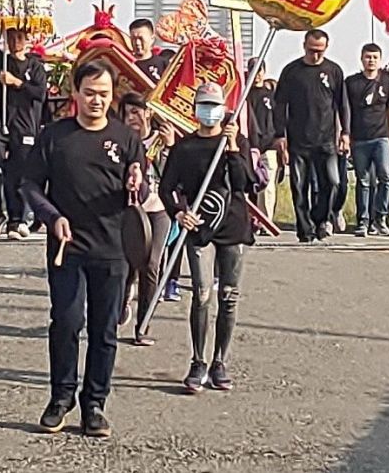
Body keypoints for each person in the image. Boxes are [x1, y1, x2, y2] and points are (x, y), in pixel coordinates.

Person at [22, 60, 147, 438]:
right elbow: (29, 185)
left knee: (103, 331)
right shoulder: (55, 136)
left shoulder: (128, 139)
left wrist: (137, 182)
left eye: (104, 95)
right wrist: (50, 216)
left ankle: (95, 405)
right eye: (89, 93)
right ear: (75, 93)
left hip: (113, 248)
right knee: (66, 322)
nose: (96, 100)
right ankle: (60, 399)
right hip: (67, 246)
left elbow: (139, 193)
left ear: (113, 97)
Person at [159, 82, 257, 393]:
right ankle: (198, 360)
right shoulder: (184, 147)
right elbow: (167, 187)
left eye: (215, 105)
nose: (209, 111)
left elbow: (246, 184)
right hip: (198, 225)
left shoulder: (235, 142)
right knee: (202, 293)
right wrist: (178, 212)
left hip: (234, 225)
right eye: (204, 105)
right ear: (195, 109)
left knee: (228, 294)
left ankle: (220, 362)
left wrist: (231, 149)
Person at [273, 29, 350, 243]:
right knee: (299, 186)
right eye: (311, 50)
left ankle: (321, 219)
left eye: (319, 51)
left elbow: (342, 104)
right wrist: (280, 136)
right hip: (298, 140)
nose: (315, 55)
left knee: (333, 182)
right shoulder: (292, 71)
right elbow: (280, 105)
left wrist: (345, 132)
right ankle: (304, 229)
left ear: (326, 48)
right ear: (304, 46)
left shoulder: (334, 71)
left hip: (326, 140)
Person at [117, 93, 175, 346]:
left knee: (152, 264)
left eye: (136, 111)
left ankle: (143, 326)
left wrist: (171, 147)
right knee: (127, 265)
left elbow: (177, 173)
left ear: (148, 112)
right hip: (129, 211)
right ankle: (122, 301)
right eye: (127, 112)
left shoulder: (161, 139)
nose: (132, 118)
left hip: (159, 209)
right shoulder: (119, 141)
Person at [0, 28, 47, 240]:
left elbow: (40, 94)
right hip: (0, 123)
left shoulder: (36, 66)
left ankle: (15, 220)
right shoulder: (2, 61)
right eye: (10, 37)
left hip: (24, 126)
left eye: (19, 37)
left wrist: (16, 83)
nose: (15, 41)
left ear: (27, 39)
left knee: (16, 175)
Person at [345, 43, 389, 237]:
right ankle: (363, 221)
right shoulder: (351, 83)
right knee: (363, 180)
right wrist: (345, 135)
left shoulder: (386, 81)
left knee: (385, 176)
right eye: (368, 57)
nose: (371, 60)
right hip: (359, 139)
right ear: (361, 58)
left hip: (381, 137)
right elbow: (345, 110)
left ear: (380, 60)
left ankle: (381, 218)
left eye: (375, 57)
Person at [246, 58, 279, 226]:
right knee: (246, 184)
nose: (256, 75)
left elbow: (277, 121)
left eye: (259, 70)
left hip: (268, 146)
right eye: (252, 70)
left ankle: (265, 220)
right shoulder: (243, 96)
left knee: (267, 185)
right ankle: (247, 219)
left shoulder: (270, 97)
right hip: (246, 146)